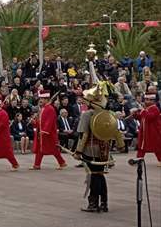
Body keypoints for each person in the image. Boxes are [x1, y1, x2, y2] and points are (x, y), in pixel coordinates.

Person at [74, 83, 124, 213]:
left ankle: (93, 203)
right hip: (104, 150)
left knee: (93, 176)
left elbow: (83, 135)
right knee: (100, 176)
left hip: (90, 149)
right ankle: (104, 203)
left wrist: (78, 151)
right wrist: (121, 145)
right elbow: (116, 132)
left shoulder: (87, 115)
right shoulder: (109, 113)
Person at [30, 90, 67, 170]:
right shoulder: (43, 108)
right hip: (42, 132)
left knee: (53, 149)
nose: (40, 100)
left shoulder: (50, 109)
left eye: (42, 98)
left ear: (46, 99)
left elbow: (49, 121)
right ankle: (37, 165)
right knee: (40, 149)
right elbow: (41, 121)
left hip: (48, 133)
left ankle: (62, 162)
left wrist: (45, 131)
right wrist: (35, 122)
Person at [131, 90, 161, 166]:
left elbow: (149, 117)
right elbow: (141, 118)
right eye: (146, 100)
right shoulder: (146, 109)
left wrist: (143, 110)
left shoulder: (155, 109)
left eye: (149, 100)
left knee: (157, 147)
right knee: (141, 147)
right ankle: (138, 160)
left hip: (153, 132)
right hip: (144, 131)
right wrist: (135, 114)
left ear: (153, 101)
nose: (146, 101)